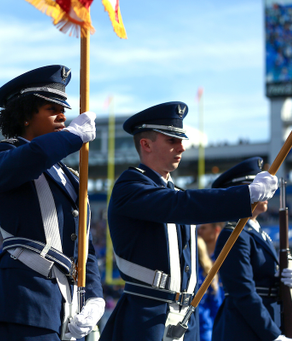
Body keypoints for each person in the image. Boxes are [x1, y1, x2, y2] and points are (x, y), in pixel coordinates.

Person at [99, 102, 278, 341]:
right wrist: (246, 195)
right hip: (148, 316)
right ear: (146, 144)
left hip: (186, 317)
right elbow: (180, 204)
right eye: (171, 141)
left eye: (181, 140)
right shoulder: (130, 187)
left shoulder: (173, 194)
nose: (181, 147)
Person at [0, 65, 104, 340]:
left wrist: (94, 297)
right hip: (24, 303)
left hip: (63, 306)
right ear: (26, 115)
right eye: (52, 108)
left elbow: (86, 249)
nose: (63, 115)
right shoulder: (4, 154)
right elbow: (27, 160)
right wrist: (70, 138)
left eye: (63, 108)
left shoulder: (71, 176)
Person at [211, 157, 292, 341]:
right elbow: (242, 292)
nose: (266, 191)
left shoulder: (258, 233)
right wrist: (273, 335)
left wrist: (287, 282)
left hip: (263, 322)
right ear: (241, 192)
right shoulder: (234, 234)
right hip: (242, 329)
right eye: (257, 185)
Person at [197, 236, 222, 341]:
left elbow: (216, 303)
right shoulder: (207, 273)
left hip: (204, 327)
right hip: (200, 325)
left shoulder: (207, 273)